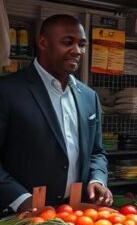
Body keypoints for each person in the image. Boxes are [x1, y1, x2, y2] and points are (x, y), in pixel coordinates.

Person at [0, 14, 111, 212]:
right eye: (67, 42)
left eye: (82, 44)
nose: (77, 51)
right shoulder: (7, 91)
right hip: (16, 216)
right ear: (43, 42)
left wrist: (98, 179)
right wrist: (20, 199)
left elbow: (96, 152)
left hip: (76, 214)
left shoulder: (88, 97)